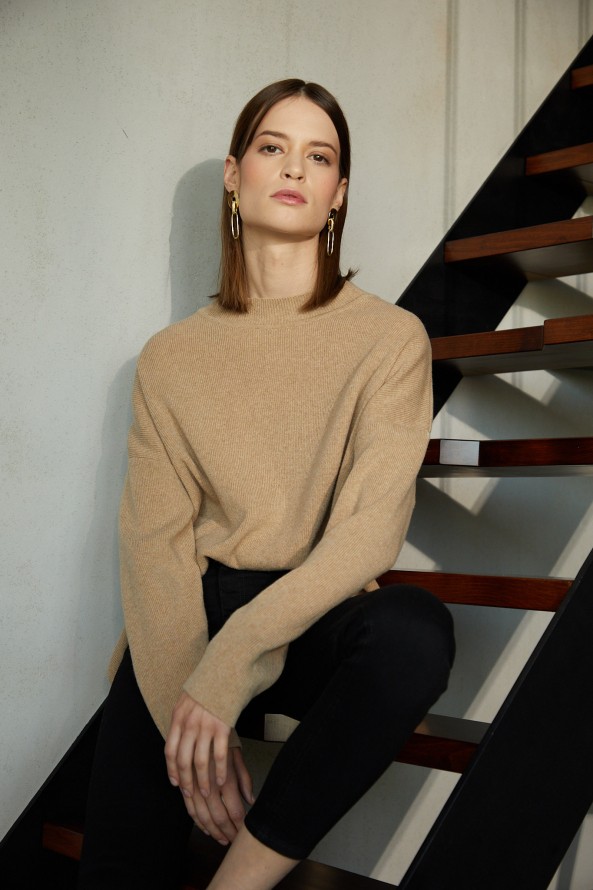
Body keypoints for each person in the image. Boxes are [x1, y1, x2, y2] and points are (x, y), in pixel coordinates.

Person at [77, 78, 455, 890]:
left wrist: (230, 670)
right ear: (233, 173)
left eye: (318, 157)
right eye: (272, 147)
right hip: (193, 618)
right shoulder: (171, 357)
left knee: (413, 632)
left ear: (337, 192)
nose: (293, 168)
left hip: (310, 613)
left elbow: (368, 530)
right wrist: (191, 700)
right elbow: (155, 548)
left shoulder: (389, 339)